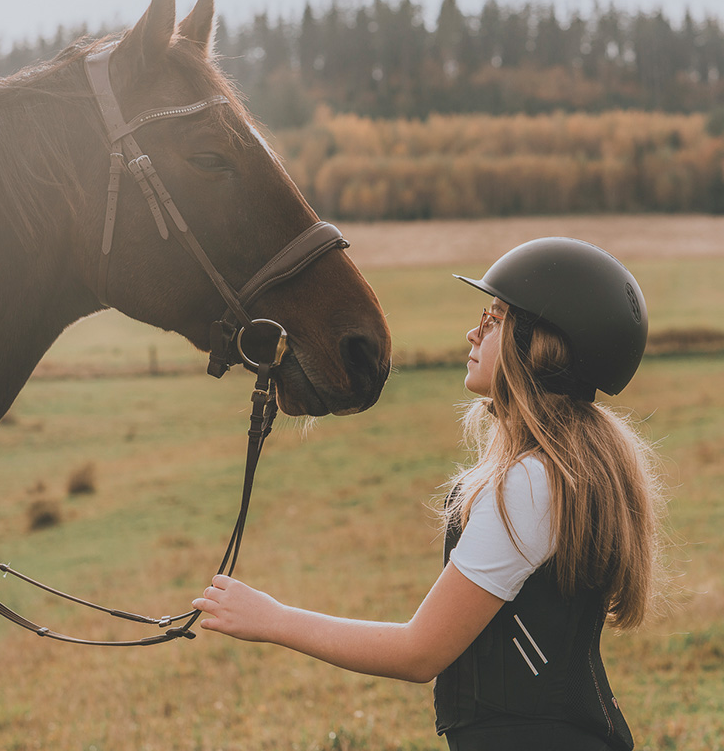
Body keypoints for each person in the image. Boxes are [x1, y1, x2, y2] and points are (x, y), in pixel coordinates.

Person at [192, 237, 664, 751]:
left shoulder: (532, 483)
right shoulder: (565, 471)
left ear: (541, 345)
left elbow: (420, 652)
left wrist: (273, 619)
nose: (473, 331)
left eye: (495, 318)